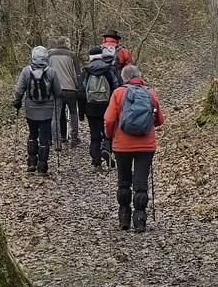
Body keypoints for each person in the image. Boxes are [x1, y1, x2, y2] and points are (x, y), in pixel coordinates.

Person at [104, 63, 160, 231]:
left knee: (124, 180)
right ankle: (140, 221)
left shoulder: (119, 93)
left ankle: (124, 218)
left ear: (124, 78)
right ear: (139, 76)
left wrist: (109, 135)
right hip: (146, 145)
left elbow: (109, 119)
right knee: (141, 183)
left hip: (122, 144)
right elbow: (159, 120)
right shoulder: (150, 93)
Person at [15, 44, 61, 175]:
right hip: (47, 109)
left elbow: (19, 90)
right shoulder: (51, 71)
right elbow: (58, 91)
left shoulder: (26, 71)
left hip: (30, 108)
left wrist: (17, 101)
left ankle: (31, 163)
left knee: (32, 134)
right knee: (44, 137)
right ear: (46, 57)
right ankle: (42, 167)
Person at [80, 39, 120, 169]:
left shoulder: (86, 71)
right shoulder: (109, 70)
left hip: (91, 107)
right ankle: (106, 149)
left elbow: (81, 92)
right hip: (107, 106)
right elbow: (117, 87)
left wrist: (81, 111)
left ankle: (96, 161)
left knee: (94, 135)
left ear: (90, 57)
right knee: (108, 131)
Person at [46, 37, 84, 147]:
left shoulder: (50, 56)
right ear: (65, 43)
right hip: (70, 89)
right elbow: (77, 74)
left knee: (55, 115)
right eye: (69, 42)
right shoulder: (72, 55)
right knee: (73, 113)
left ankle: (58, 140)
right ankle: (74, 138)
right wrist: (79, 87)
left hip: (56, 89)